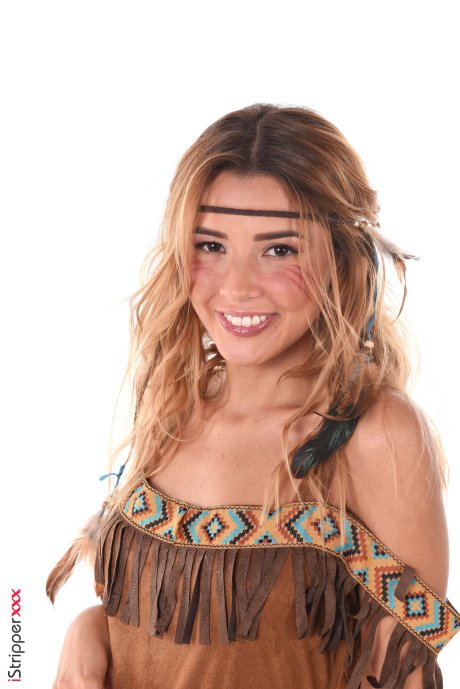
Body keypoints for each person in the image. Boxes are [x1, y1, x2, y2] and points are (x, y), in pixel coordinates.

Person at [46, 103, 459, 689]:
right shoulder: (175, 402)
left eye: (279, 249)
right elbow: (167, 624)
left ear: (343, 259)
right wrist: (86, 629)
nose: (236, 287)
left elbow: (401, 675)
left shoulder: (373, 434)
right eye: (211, 245)